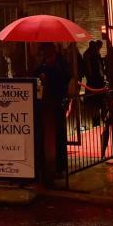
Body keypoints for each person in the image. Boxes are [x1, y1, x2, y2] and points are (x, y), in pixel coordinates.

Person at [35, 43, 72, 174]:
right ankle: (47, 164)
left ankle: (60, 165)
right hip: (45, 104)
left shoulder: (60, 63)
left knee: (59, 134)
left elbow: (66, 77)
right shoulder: (44, 64)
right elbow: (37, 74)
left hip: (57, 102)